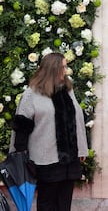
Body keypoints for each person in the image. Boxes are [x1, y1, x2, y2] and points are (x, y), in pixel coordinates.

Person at [9, 52, 89, 210]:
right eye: (63, 67)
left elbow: (77, 119)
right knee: (47, 203)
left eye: (66, 66)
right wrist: (22, 158)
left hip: (69, 160)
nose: (66, 70)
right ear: (52, 69)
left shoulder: (67, 89)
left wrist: (81, 149)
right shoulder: (31, 94)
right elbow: (21, 128)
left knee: (64, 203)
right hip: (45, 160)